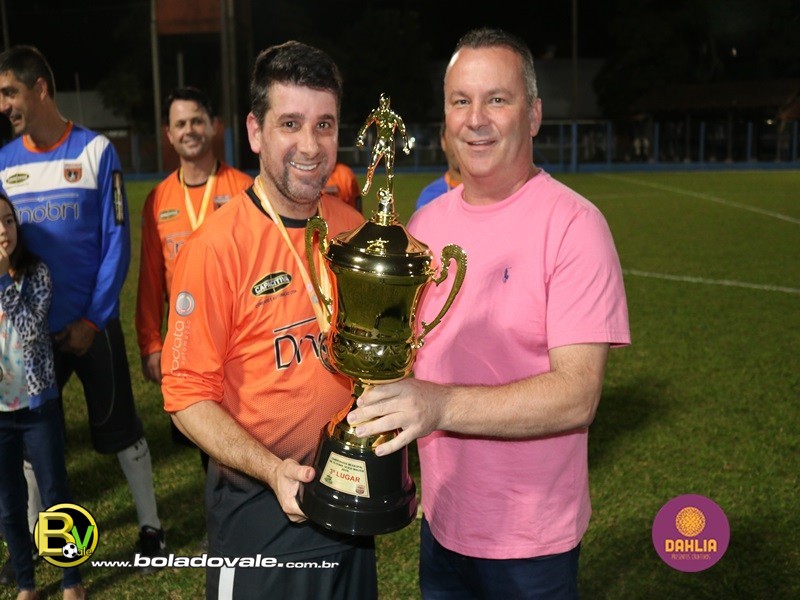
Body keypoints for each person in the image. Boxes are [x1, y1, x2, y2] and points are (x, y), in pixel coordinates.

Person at [348, 27, 631, 599]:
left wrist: (439, 405)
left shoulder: (575, 226)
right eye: (461, 101)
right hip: (442, 525)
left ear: (534, 115)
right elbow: (404, 362)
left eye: (497, 99)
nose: (475, 119)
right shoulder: (424, 227)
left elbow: (578, 394)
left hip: (532, 546)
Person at [161, 41, 377, 599]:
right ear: (256, 132)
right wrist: (270, 468)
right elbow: (186, 397)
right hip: (259, 516)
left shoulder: (354, 232)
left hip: (351, 512)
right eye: (291, 124)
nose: (311, 145)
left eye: (324, 124)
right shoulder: (215, 248)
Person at [0, 45, 166, 576]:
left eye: (10, 92)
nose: (3, 105)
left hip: (94, 327)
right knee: (29, 438)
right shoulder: (5, 162)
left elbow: (117, 240)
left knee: (122, 430)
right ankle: (32, 537)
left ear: (40, 89)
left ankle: (152, 529)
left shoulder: (96, 151)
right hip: (28, 336)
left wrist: (93, 319)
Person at [136, 86, 252, 471]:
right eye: (180, 123)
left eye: (197, 121)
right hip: (186, 336)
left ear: (214, 126)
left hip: (239, 338)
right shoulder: (158, 199)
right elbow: (150, 277)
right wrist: (151, 343)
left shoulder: (244, 189)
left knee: (245, 428)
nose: (189, 130)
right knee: (205, 436)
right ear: (168, 134)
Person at [0, 192, 86, 600]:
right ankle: (26, 583)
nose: (3, 230)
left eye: (8, 220)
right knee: (8, 502)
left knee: (55, 494)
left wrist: (3, 280)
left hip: (37, 407)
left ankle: (72, 580)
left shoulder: (36, 273)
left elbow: (32, 330)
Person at [356, 92, 410, 197]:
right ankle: (368, 182)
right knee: (371, 165)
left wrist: (406, 144)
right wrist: (360, 136)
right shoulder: (377, 113)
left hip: (389, 143)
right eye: (382, 102)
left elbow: (403, 130)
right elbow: (366, 125)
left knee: (389, 168)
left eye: (385, 102)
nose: (384, 104)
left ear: (389, 102)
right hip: (380, 142)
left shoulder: (393, 115)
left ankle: (390, 191)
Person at [415, 122, 461, 210]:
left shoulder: (489, 196)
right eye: (454, 137)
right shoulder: (429, 198)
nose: (460, 147)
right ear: (443, 142)